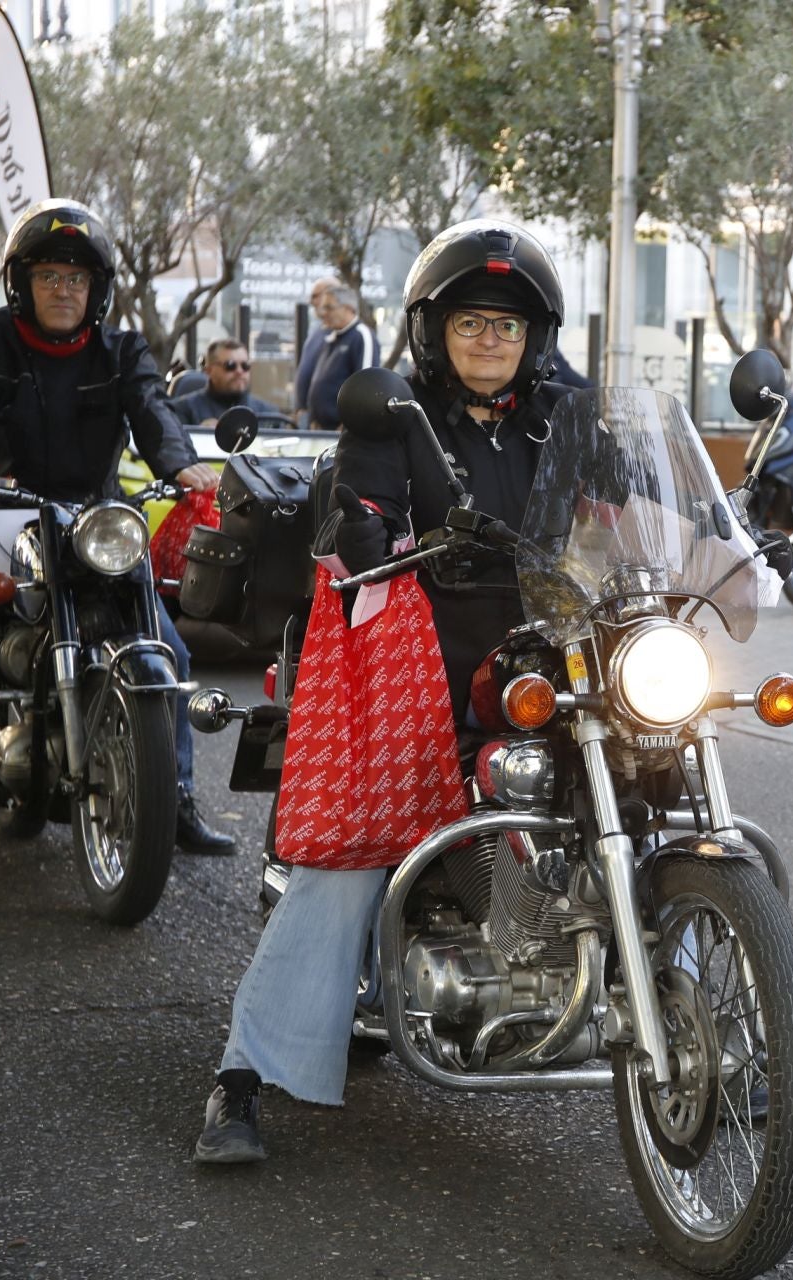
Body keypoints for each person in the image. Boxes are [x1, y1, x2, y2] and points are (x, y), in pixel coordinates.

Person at [192, 220, 575, 1163]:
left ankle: (717, 1028)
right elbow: (360, 512)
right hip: (424, 663)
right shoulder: (392, 415)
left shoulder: (568, 413)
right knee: (354, 859)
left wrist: (712, 530)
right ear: (432, 330)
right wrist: (370, 533)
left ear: (537, 336)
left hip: (555, 659)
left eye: (509, 325)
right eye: (472, 323)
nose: (491, 340)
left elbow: (637, 502)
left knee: (658, 791)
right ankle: (241, 1078)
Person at [0, 199, 234, 853]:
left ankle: (174, 797)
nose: (63, 290)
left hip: (93, 521)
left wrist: (182, 467)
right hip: (4, 515)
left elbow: (152, 410)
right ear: (24, 285)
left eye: (77, 278)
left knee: (170, 651)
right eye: (49, 276)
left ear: (96, 290)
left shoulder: (121, 350)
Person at [302, 284, 379, 432]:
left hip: (341, 434)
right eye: (323, 308)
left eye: (329, 307)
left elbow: (365, 387)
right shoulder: (331, 337)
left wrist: (348, 426)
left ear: (349, 308)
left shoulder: (361, 335)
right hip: (319, 431)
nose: (323, 313)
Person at [170, 338, 278, 425]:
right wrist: (200, 436)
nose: (239, 371)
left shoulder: (269, 414)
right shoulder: (182, 411)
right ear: (209, 370)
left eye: (245, 366)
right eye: (230, 365)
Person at [291, 275, 340, 423]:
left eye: (315, 296)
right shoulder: (317, 332)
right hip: (309, 419)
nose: (311, 302)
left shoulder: (346, 334)